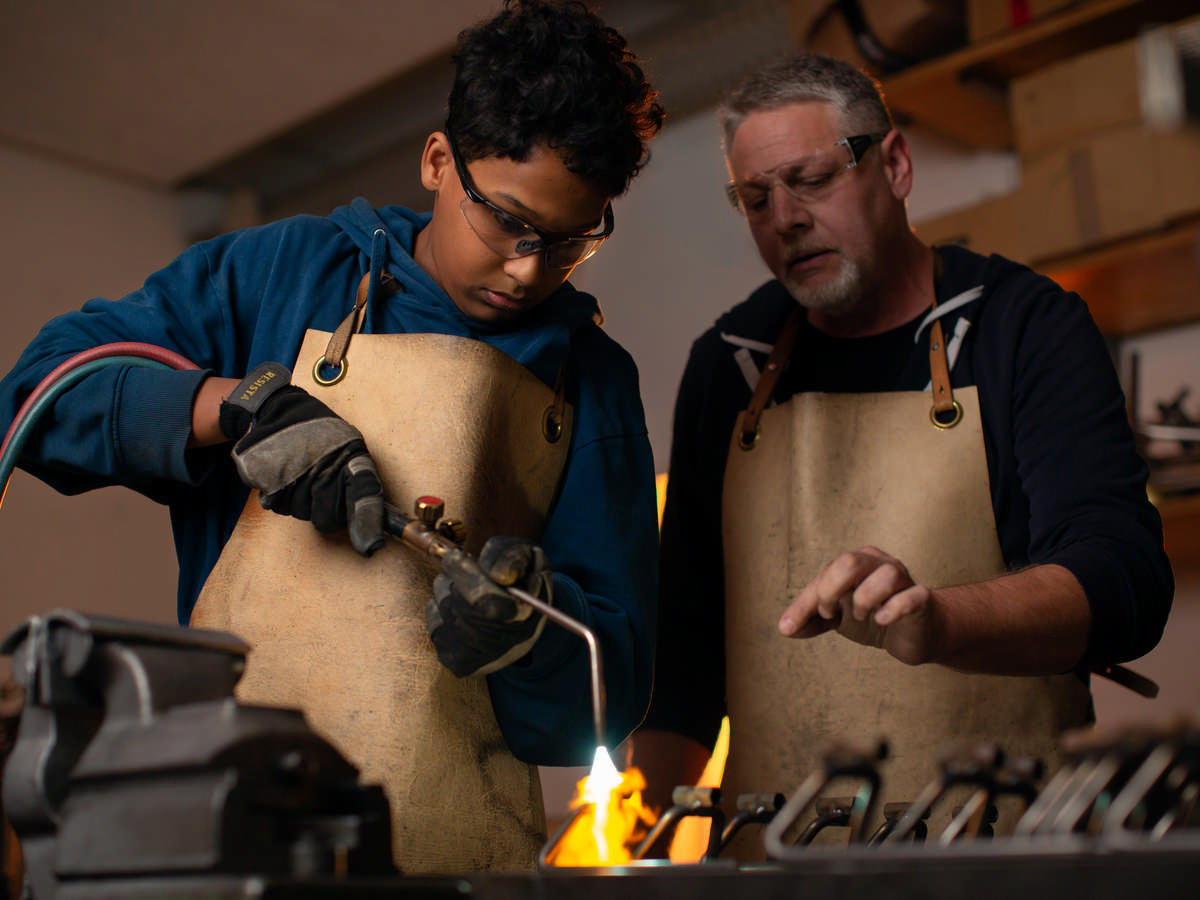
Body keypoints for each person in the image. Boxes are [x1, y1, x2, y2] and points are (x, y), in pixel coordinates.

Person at [0, 0, 664, 873]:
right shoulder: (277, 273)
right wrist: (229, 408)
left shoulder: (590, 378)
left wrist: (530, 634)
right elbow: (42, 391)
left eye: (573, 240)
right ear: (437, 160)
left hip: (450, 860)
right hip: (224, 836)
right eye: (509, 222)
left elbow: (603, 703)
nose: (530, 268)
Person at [634, 53, 1173, 851]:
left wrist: (943, 621)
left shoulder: (1021, 328)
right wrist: (644, 837)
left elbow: (1123, 578)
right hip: (772, 862)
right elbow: (683, 654)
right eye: (756, 198)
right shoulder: (730, 365)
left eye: (811, 179)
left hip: (1002, 858)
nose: (784, 217)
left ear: (894, 164)